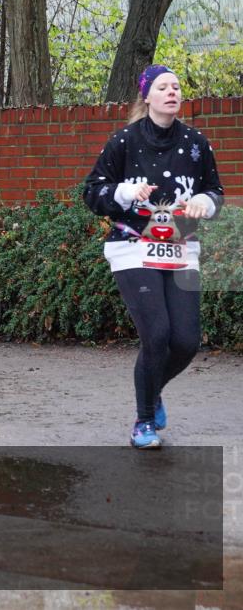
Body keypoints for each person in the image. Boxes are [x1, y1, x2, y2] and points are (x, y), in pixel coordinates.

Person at [83, 64, 224, 449]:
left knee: (186, 342)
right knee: (157, 335)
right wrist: (125, 193)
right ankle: (144, 421)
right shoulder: (123, 142)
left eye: (177, 87)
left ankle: (151, 390)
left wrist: (203, 203)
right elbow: (92, 192)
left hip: (180, 247)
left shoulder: (196, 143)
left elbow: (216, 191)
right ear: (147, 96)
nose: (172, 92)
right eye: (163, 87)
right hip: (132, 246)